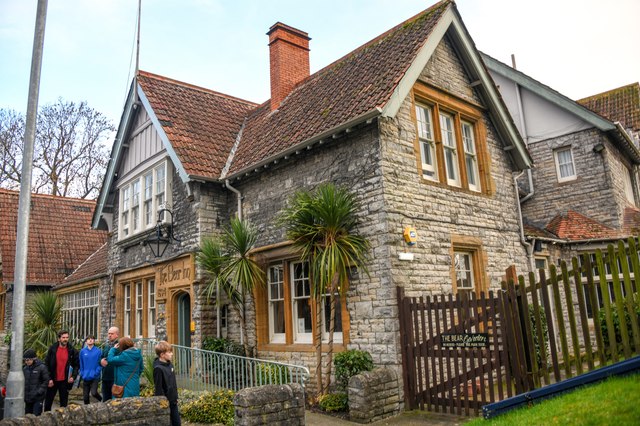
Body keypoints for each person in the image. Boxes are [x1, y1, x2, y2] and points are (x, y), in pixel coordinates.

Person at [43, 330, 79, 411]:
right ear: (59, 339)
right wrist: (49, 379)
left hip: (65, 381)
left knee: (64, 404)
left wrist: (73, 376)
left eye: (67, 337)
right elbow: (46, 364)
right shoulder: (52, 349)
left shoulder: (72, 351)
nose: (65, 339)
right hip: (53, 380)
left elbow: (76, 365)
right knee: (48, 403)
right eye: (63, 338)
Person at [153, 341, 181, 426]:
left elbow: (173, 383)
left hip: (173, 401)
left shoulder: (170, 365)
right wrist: (162, 403)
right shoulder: (158, 369)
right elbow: (159, 388)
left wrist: (175, 397)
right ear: (162, 355)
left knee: (177, 422)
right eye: (169, 352)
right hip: (165, 403)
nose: (172, 354)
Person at [23, 348, 49, 416]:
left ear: (33, 358)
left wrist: (39, 392)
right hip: (28, 398)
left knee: (36, 417)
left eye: (28, 360)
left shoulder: (42, 367)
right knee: (27, 417)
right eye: (25, 360)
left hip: (38, 398)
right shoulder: (25, 369)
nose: (26, 362)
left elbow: (46, 381)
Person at [79, 335, 102, 404]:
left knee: (94, 393)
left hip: (95, 376)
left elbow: (100, 363)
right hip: (85, 376)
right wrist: (82, 373)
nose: (90, 340)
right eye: (88, 339)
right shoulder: (82, 351)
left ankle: (102, 400)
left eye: (92, 339)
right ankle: (88, 412)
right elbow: (81, 363)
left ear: (94, 341)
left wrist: (96, 372)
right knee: (85, 398)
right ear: (86, 341)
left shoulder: (98, 351)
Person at [100, 326, 119, 400]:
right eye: (109, 333)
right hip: (105, 377)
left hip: (114, 377)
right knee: (105, 400)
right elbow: (101, 357)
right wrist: (101, 361)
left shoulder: (119, 346)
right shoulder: (107, 345)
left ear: (117, 335)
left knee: (114, 400)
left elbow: (117, 359)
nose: (109, 335)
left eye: (112, 334)